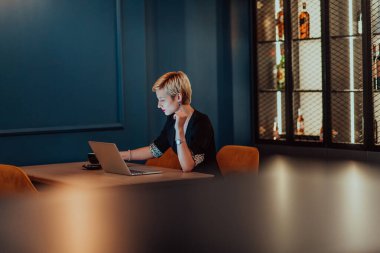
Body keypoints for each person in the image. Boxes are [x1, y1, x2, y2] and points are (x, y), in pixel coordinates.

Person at [120, 71, 221, 176]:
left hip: (209, 186)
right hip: (188, 183)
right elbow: (154, 150)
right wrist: (120, 156)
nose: (158, 105)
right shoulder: (171, 120)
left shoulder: (202, 122)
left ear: (178, 97)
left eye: (162, 100)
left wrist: (179, 129)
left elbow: (187, 166)